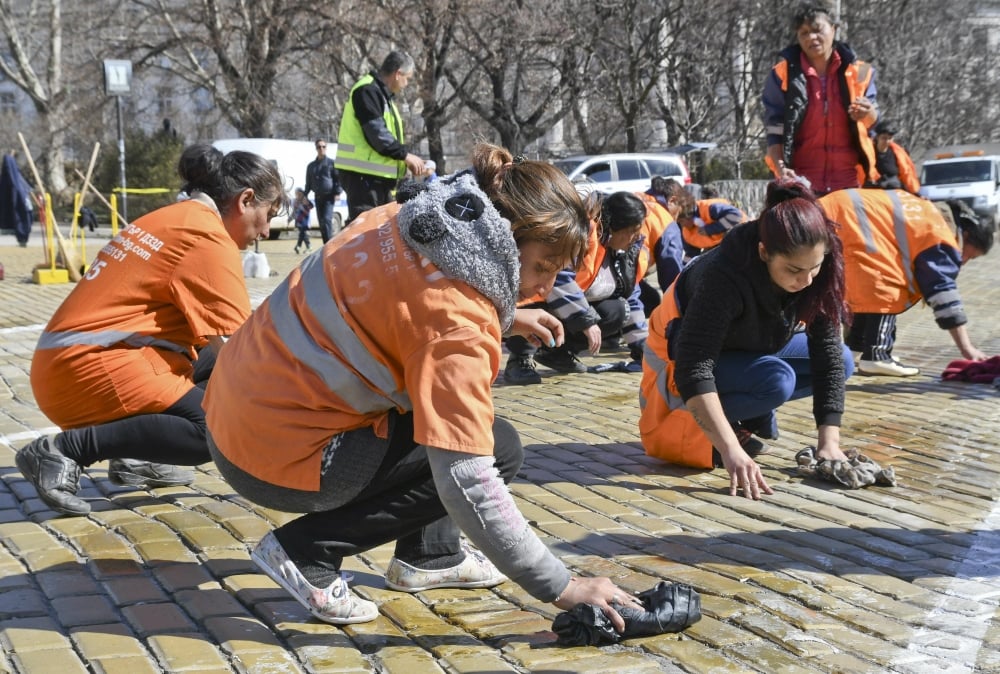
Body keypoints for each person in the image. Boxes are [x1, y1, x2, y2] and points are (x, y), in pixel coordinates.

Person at [202, 143, 642, 628]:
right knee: (493, 448)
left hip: (231, 410)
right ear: (506, 237)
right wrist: (562, 585)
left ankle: (431, 555)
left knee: (447, 418)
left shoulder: (409, 218)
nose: (543, 288)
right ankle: (306, 550)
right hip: (267, 456)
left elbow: (405, 309)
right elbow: (466, 478)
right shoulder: (458, 323)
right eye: (541, 266)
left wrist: (505, 316)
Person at [15, 144, 285, 517]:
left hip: (67, 361)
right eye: (268, 214)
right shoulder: (208, 238)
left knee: (213, 372)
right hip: (86, 368)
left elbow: (218, 346)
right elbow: (242, 351)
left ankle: (132, 456)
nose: (267, 231)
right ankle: (64, 451)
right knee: (220, 428)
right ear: (245, 199)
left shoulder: (177, 216)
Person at [639, 179, 854, 500]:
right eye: (794, 270)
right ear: (764, 252)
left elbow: (828, 358)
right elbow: (693, 368)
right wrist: (729, 451)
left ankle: (747, 414)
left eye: (814, 268)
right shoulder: (722, 276)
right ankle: (727, 427)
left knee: (844, 357)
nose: (806, 281)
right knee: (776, 380)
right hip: (677, 361)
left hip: (743, 347)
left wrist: (829, 443)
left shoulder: (816, 270)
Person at [818, 189, 992, 376]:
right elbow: (943, 293)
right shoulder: (941, 235)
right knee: (887, 283)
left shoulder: (930, 214)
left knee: (869, 281)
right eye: (969, 256)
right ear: (965, 235)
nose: (963, 261)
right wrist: (967, 348)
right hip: (845, 220)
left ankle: (856, 348)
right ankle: (877, 356)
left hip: (832, 211)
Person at [504, 191, 651, 384]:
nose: (636, 237)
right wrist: (586, 321)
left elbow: (632, 296)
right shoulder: (582, 234)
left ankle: (557, 353)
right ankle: (520, 359)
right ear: (616, 227)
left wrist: (644, 348)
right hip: (540, 297)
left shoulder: (627, 253)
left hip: (570, 309)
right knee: (533, 292)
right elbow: (558, 276)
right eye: (633, 230)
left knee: (618, 309)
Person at [762, 0, 880, 194]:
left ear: (833, 29)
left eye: (818, 30)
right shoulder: (781, 74)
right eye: (804, 33)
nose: (812, 37)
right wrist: (781, 168)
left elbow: (874, 123)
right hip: (802, 184)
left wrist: (869, 113)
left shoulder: (862, 71)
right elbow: (775, 129)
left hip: (850, 183)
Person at [336, 51, 425, 222]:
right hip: (363, 177)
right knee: (366, 232)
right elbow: (378, 135)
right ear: (398, 74)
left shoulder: (380, 95)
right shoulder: (367, 90)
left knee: (379, 233)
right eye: (408, 78)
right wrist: (406, 156)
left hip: (373, 178)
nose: (407, 84)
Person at [636, 177, 686, 315]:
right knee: (651, 301)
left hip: (588, 272)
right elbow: (671, 274)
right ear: (672, 201)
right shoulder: (663, 220)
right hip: (616, 281)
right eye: (680, 209)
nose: (678, 217)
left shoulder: (636, 198)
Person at [677, 193, 748, 257]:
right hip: (718, 246)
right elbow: (691, 255)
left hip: (743, 235)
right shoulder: (686, 234)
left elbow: (735, 216)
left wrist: (709, 229)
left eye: (681, 221)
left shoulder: (711, 208)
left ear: (689, 216)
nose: (682, 225)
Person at [304, 139, 341, 243]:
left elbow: (338, 179)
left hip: (329, 196)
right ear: (316, 148)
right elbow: (308, 183)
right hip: (318, 197)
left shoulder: (331, 163)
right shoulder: (311, 166)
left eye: (323, 146)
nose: (321, 149)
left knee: (327, 220)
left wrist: (337, 192)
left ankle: (330, 243)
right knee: (321, 222)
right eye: (319, 147)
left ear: (326, 148)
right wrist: (304, 195)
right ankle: (326, 244)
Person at [868, 120, 920, 194]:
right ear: (877, 137)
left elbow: (906, 175)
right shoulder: (868, 153)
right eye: (884, 138)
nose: (887, 141)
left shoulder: (898, 154)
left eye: (890, 138)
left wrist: (916, 193)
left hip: (896, 192)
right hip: (874, 193)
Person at [290, 187, 313, 254]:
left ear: (302, 194)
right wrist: (290, 218)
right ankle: (298, 246)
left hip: (305, 222)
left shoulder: (305, 201)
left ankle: (308, 247)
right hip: (299, 221)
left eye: (299, 194)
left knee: (303, 234)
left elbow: (308, 211)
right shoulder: (296, 201)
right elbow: (294, 212)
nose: (297, 195)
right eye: (296, 194)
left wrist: (302, 208)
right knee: (302, 234)